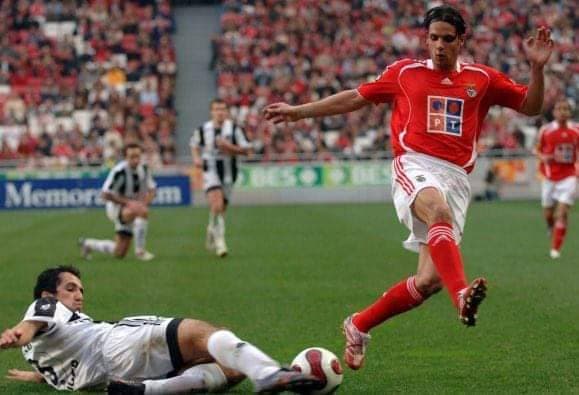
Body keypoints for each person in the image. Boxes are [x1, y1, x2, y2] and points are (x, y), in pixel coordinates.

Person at [264, 5, 553, 370]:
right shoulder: (405, 73)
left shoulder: (483, 79)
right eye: (433, 38)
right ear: (426, 39)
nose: (439, 46)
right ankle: (461, 294)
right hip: (414, 164)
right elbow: (355, 96)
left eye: (448, 39)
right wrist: (299, 111)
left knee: (429, 279)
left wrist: (538, 69)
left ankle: (359, 324)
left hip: (456, 178)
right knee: (438, 213)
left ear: (462, 40)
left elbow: (531, 106)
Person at [0, 265, 320, 394]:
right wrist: (16, 334)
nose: (79, 295)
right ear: (48, 295)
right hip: (119, 344)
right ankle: (266, 372)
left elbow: (44, 346)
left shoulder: (39, 353)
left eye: (81, 289)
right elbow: (31, 326)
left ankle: (147, 391)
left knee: (232, 371)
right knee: (201, 334)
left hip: (115, 374)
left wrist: (38, 374)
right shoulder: (45, 308)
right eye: (71, 288)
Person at [190, 99, 252, 257]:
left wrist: (229, 147)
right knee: (217, 203)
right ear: (211, 112)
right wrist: (196, 158)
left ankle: (211, 227)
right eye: (217, 109)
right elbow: (194, 144)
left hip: (230, 171)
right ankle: (220, 243)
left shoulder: (235, 129)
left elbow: (248, 151)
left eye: (223, 109)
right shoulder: (204, 129)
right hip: (210, 168)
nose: (220, 112)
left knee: (221, 208)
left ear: (227, 111)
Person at [79, 143, 156, 261]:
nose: (136, 160)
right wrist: (129, 203)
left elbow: (152, 190)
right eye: (132, 157)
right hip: (116, 208)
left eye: (138, 156)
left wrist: (143, 202)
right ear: (125, 157)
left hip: (132, 208)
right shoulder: (119, 171)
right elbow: (105, 194)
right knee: (142, 212)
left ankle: (88, 244)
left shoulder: (144, 169)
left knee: (119, 252)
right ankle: (140, 252)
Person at [535, 99, 578, 259]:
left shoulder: (576, 130)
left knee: (562, 212)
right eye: (559, 109)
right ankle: (550, 226)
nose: (563, 112)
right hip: (549, 177)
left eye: (566, 109)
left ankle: (555, 249)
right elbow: (536, 150)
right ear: (554, 112)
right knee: (548, 213)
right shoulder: (546, 130)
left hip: (569, 177)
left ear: (570, 112)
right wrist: (543, 157)